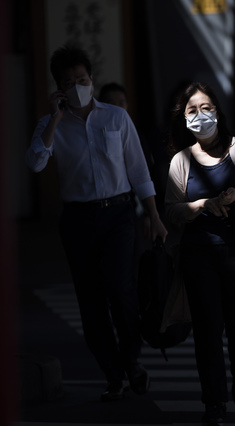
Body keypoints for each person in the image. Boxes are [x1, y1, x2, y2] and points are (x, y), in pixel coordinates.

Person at [25, 45, 167, 401]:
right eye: (69, 82)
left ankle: (132, 360)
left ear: (92, 79)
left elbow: (138, 168)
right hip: (78, 219)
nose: (78, 86)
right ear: (58, 87)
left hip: (119, 214)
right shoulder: (50, 124)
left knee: (121, 289)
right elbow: (35, 163)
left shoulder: (116, 118)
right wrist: (55, 119)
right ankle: (113, 373)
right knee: (90, 301)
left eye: (83, 79)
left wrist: (153, 214)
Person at [164, 81, 235, 425]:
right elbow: (170, 209)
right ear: (183, 119)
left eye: (206, 108)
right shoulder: (180, 161)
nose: (201, 116)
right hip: (199, 257)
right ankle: (214, 404)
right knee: (207, 333)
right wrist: (198, 206)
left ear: (218, 111)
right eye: (192, 111)